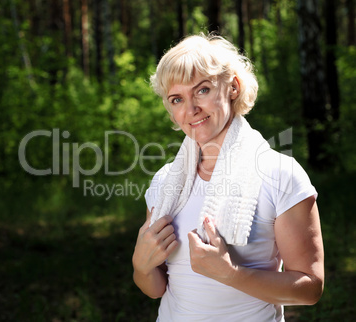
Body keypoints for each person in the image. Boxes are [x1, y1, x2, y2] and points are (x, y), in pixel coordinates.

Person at [132, 33, 324, 322]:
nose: (191, 109)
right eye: (176, 99)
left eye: (202, 90)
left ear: (232, 86)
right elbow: (156, 289)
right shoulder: (165, 182)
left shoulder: (280, 174)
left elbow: (309, 289)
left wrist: (230, 274)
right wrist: (141, 267)